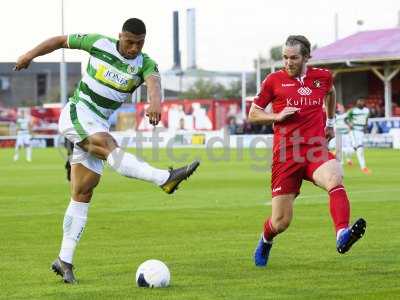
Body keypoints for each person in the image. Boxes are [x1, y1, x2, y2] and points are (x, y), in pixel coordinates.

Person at [14, 18, 200, 284]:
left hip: (98, 123)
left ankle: (64, 260)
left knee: (83, 192)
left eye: (140, 43)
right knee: (110, 147)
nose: (134, 48)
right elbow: (59, 41)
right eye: (129, 42)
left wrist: (155, 103)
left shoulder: (145, 63)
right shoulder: (98, 43)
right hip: (77, 112)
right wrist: (29, 55)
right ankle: (164, 179)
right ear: (119, 36)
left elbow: (154, 83)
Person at [248, 35, 366, 267]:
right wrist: (276, 116)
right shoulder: (274, 80)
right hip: (286, 155)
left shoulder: (322, 77)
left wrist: (330, 123)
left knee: (335, 176)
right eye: (284, 57)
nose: (288, 62)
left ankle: (342, 234)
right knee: (281, 221)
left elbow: (331, 93)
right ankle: (265, 240)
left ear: (306, 57)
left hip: (314, 149)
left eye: (293, 58)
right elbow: (253, 113)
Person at [346, 99, 371, 174]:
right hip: (354, 131)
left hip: (361, 131)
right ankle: (363, 168)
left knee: (355, 148)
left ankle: (345, 154)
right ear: (357, 104)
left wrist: (366, 126)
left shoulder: (367, 110)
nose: (361, 103)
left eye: (362, 102)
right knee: (360, 148)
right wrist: (349, 124)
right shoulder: (352, 111)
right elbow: (345, 119)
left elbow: (366, 119)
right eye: (359, 102)